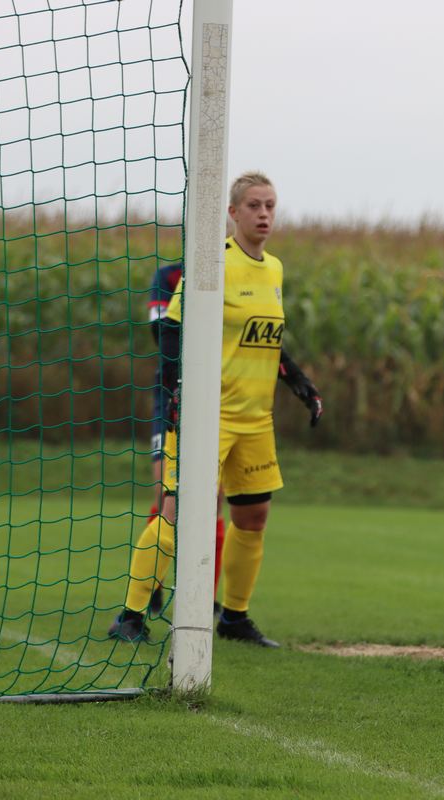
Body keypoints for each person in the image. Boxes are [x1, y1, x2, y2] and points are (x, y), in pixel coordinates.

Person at [109, 171, 323, 647]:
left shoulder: (275, 269)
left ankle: (234, 618)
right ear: (232, 213)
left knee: (254, 517)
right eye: (254, 205)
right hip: (208, 416)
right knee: (176, 510)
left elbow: (267, 341)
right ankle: (130, 615)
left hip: (255, 421)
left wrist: (302, 385)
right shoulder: (210, 264)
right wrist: (173, 398)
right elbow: (171, 331)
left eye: (270, 204)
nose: (264, 213)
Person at [144, 260, 226, 617]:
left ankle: (204, 596)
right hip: (172, 392)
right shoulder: (169, 275)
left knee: (215, 497)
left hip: (221, 394)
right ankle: (150, 590)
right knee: (167, 492)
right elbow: (160, 331)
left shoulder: (236, 268)